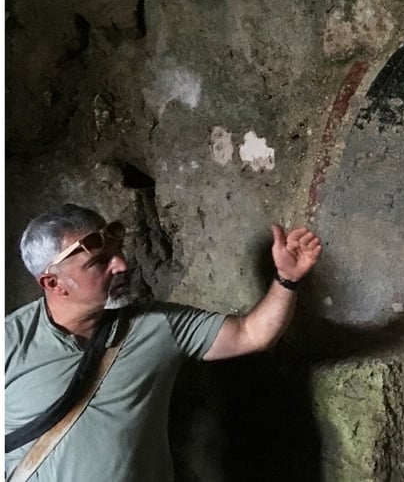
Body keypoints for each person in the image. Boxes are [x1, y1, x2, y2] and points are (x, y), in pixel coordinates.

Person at [5, 203, 322, 481]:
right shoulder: (9, 342)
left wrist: (286, 279)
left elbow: (252, 334)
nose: (122, 265)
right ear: (53, 283)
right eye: (100, 261)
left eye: (118, 250)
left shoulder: (158, 326)